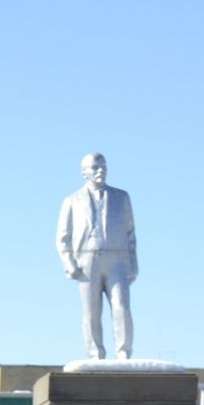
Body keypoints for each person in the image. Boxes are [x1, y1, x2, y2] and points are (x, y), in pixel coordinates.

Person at [56, 151, 138, 359]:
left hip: (117, 260)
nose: (100, 170)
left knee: (121, 305)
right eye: (95, 167)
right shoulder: (72, 200)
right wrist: (69, 263)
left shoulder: (121, 197)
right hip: (87, 260)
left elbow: (130, 234)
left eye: (103, 166)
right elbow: (62, 237)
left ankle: (124, 352)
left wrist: (133, 264)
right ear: (85, 173)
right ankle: (95, 354)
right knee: (91, 311)